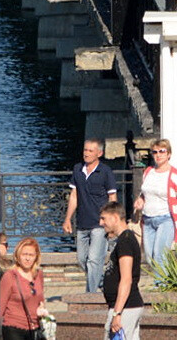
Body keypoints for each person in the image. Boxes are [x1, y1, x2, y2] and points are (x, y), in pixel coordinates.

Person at [62, 139, 117, 293]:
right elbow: (74, 196)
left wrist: (113, 222)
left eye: (90, 151)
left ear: (99, 153)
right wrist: (67, 219)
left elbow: (112, 197)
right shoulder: (77, 169)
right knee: (81, 260)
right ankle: (100, 281)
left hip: (100, 224)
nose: (86, 153)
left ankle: (90, 295)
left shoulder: (106, 172)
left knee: (94, 260)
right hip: (82, 222)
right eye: (85, 150)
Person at [132, 139, 177, 265]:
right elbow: (145, 194)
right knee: (150, 258)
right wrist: (140, 200)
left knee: (160, 255)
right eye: (155, 152)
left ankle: (161, 285)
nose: (158, 155)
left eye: (162, 151)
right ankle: (163, 282)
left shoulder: (175, 175)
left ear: (169, 154)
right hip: (148, 220)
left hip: (165, 219)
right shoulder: (148, 172)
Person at [99, 201, 143, 338]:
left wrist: (117, 313)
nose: (101, 223)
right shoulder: (124, 240)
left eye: (103, 218)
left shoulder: (125, 241)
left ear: (115, 218)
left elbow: (126, 279)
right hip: (127, 307)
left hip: (126, 308)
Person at [0, 237, 47, 340]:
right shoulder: (10, 276)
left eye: (31, 255)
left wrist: (42, 309)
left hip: (34, 327)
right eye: (24, 255)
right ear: (18, 256)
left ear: (36, 257)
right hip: (13, 327)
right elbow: (0, 307)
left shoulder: (39, 275)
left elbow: (40, 300)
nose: (27, 258)